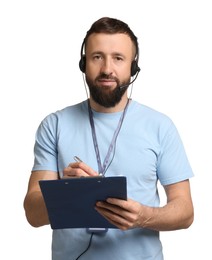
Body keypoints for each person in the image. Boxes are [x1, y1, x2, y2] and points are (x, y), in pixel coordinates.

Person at [23, 17, 194, 260]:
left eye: (118, 58)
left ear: (132, 68)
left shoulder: (160, 126)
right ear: (83, 63)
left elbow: (186, 212)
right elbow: (32, 213)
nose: (106, 69)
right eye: (97, 57)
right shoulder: (54, 125)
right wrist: (64, 192)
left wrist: (144, 216)